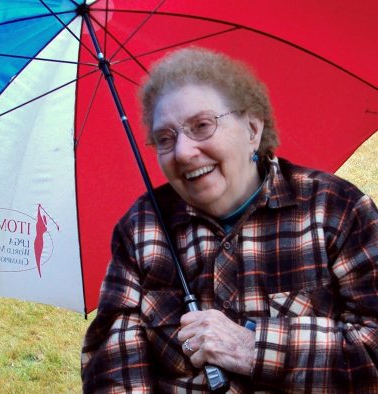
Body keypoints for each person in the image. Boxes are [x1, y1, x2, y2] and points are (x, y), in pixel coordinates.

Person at [81, 47, 378, 393]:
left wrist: (253, 347)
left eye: (202, 126)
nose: (182, 152)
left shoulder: (337, 211)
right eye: (165, 138)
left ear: (252, 128)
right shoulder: (142, 227)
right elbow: (112, 364)